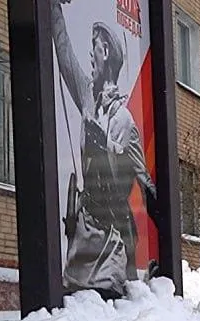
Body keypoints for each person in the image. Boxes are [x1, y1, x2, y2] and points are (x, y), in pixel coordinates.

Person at [52, 0, 156, 299]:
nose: (89, 55)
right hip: (84, 237)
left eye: (94, 47)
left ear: (106, 52)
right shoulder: (88, 97)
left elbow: (143, 182)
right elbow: (65, 57)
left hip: (112, 239)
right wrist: (54, 10)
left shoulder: (124, 120)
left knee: (110, 314)